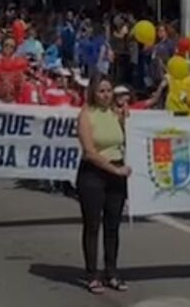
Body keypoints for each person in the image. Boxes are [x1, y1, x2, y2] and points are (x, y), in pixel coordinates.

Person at [76, 74, 130, 295]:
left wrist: (126, 121)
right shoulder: (86, 115)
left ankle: (112, 272)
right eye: (102, 91)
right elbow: (90, 152)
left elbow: (126, 140)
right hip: (94, 174)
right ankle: (92, 274)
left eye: (109, 91)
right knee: (92, 226)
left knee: (112, 226)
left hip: (116, 174)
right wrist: (114, 169)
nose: (106, 95)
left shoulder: (115, 114)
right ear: (93, 93)